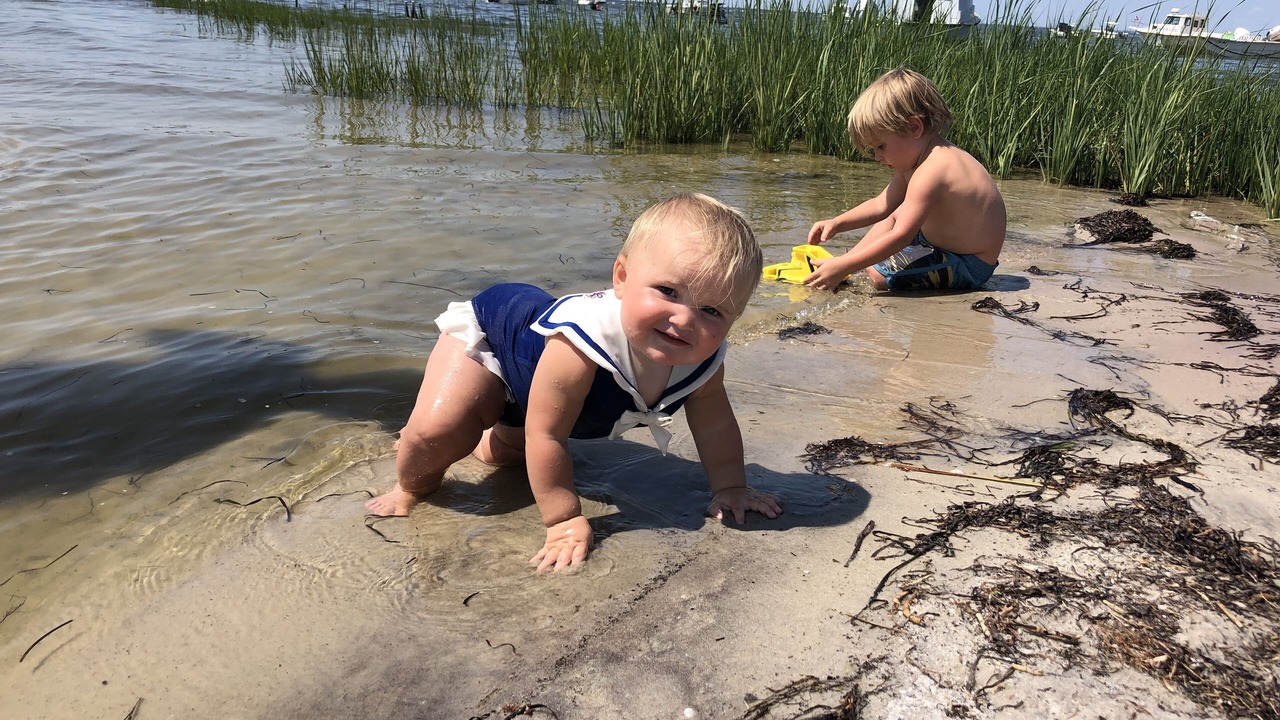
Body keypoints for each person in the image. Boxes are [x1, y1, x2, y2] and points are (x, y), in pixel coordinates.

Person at [366, 193, 781, 571]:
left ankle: (492, 433)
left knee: (509, 456)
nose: (685, 319)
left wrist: (731, 487)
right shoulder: (581, 343)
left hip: (538, 391)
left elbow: (715, 426)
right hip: (496, 337)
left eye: (712, 310)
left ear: (736, 317)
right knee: (438, 434)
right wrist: (564, 518)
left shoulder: (703, 360)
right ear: (621, 276)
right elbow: (547, 435)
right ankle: (409, 483)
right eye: (668, 290)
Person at [804, 67, 1006, 292]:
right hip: (938, 241)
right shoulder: (918, 162)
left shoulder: (933, 170)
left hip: (968, 262)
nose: (877, 157)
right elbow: (881, 205)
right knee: (893, 215)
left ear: (914, 128)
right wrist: (837, 223)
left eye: (880, 146)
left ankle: (847, 266)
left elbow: (901, 236)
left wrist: (846, 267)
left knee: (877, 276)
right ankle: (848, 261)